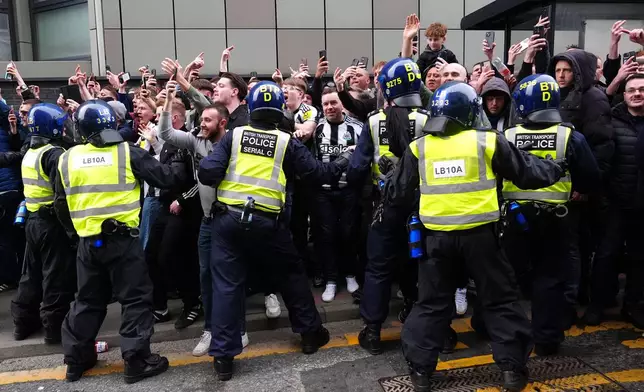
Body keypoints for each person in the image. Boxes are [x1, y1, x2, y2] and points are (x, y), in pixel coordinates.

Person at [387, 81, 566, 392]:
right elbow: (527, 172)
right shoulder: (487, 141)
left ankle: (420, 373)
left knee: (431, 304)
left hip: (435, 241)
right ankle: (511, 370)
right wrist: (557, 169)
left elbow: (398, 194)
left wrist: (389, 177)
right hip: (482, 238)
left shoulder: (420, 147)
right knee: (499, 301)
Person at [198, 81, 352, 381]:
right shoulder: (285, 142)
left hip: (229, 222)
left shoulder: (234, 136)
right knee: (292, 276)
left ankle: (224, 358)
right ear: (280, 109)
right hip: (269, 224)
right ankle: (310, 335)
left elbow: (207, 172)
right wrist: (346, 158)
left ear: (252, 108)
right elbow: (317, 173)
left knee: (227, 286)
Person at [54, 100, 186, 383]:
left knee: (87, 301)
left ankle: (76, 361)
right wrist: (168, 151)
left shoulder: (67, 158)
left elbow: (60, 204)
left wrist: (75, 232)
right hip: (123, 241)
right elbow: (167, 178)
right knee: (135, 298)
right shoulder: (128, 153)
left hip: (88, 242)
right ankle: (136, 361)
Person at [496, 74, 600, 356]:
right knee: (551, 280)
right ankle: (546, 339)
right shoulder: (570, 136)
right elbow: (591, 178)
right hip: (557, 220)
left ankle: (506, 337)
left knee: (509, 280)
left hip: (514, 220)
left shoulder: (507, 136)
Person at [348, 58, 429, 355]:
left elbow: (356, 169)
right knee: (419, 263)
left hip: (383, 209)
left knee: (379, 268)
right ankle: (421, 318)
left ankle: (372, 332)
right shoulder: (428, 119)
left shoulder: (371, 122)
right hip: (421, 207)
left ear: (385, 89)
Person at [10, 103, 77, 344]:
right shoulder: (54, 154)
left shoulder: (30, 150)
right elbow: (61, 198)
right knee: (55, 276)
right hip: (51, 223)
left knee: (30, 274)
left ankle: (22, 323)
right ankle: (53, 328)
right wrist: (71, 232)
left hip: (33, 220)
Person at [584, 74, 644, 329]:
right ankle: (597, 305)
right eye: (631, 90)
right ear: (624, 93)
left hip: (643, 205)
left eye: (642, 89)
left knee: (640, 259)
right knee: (606, 256)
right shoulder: (612, 120)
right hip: (616, 203)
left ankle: (633, 306)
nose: (637, 94)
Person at [311, 88, 363, 301]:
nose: (330, 107)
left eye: (334, 102)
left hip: (348, 190)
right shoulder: (317, 128)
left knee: (348, 233)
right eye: (326, 104)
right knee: (326, 235)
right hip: (323, 192)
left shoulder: (358, 128)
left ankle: (350, 274)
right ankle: (331, 279)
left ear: (341, 104)